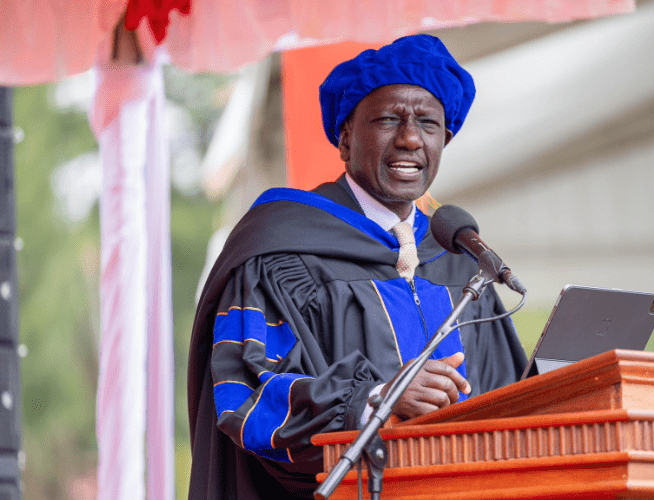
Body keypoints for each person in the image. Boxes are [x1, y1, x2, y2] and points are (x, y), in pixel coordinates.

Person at [187, 34, 528, 500]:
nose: (410, 138)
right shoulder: (282, 251)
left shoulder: (457, 261)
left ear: (444, 140)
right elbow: (247, 393)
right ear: (346, 138)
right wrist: (375, 402)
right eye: (389, 119)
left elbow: (511, 407)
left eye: (428, 123)